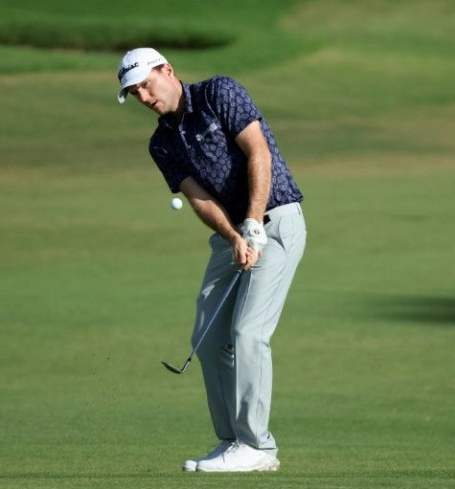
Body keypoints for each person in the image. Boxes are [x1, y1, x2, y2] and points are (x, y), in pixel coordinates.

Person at [116, 48, 307, 473]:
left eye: (147, 84)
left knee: (248, 331)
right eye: (134, 93)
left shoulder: (220, 93)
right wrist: (234, 235)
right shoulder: (161, 143)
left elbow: (259, 152)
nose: (144, 97)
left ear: (168, 70)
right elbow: (198, 197)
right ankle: (232, 441)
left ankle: (259, 446)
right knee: (208, 336)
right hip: (233, 236)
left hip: (275, 222)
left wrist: (253, 224)